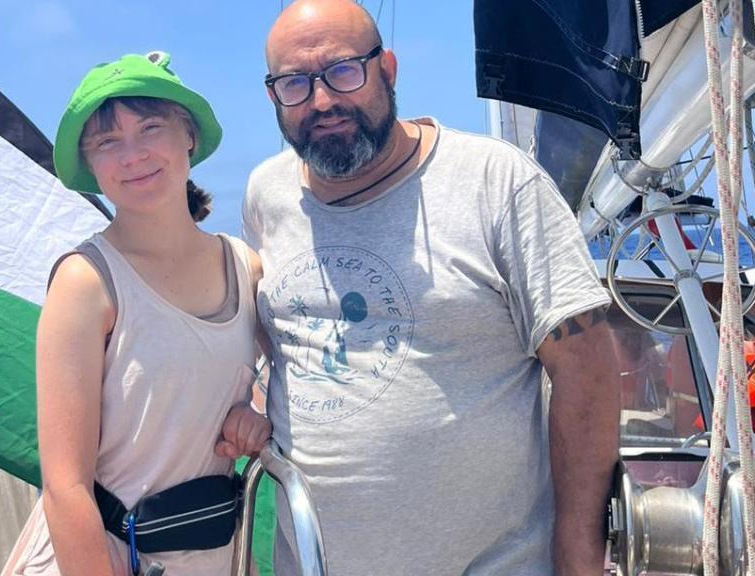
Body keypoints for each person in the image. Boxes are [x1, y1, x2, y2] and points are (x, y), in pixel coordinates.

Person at [239, 1, 620, 574]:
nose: (322, 101)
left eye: (344, 72)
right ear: (273, 97)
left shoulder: (495, 181)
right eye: (295, 84)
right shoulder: (265, 195)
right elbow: (278, 335)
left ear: (387, 70)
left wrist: (579, 545)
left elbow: (585, 368)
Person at [2, 51, 270, 576]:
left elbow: (292, 379)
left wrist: (260, 413)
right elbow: (66, 486)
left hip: (212, 554)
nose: (132, 155)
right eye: (107, 142)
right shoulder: (86, 281)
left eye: (150, 128)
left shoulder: (247, 267)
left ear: (188, 135)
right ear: (93, 166)